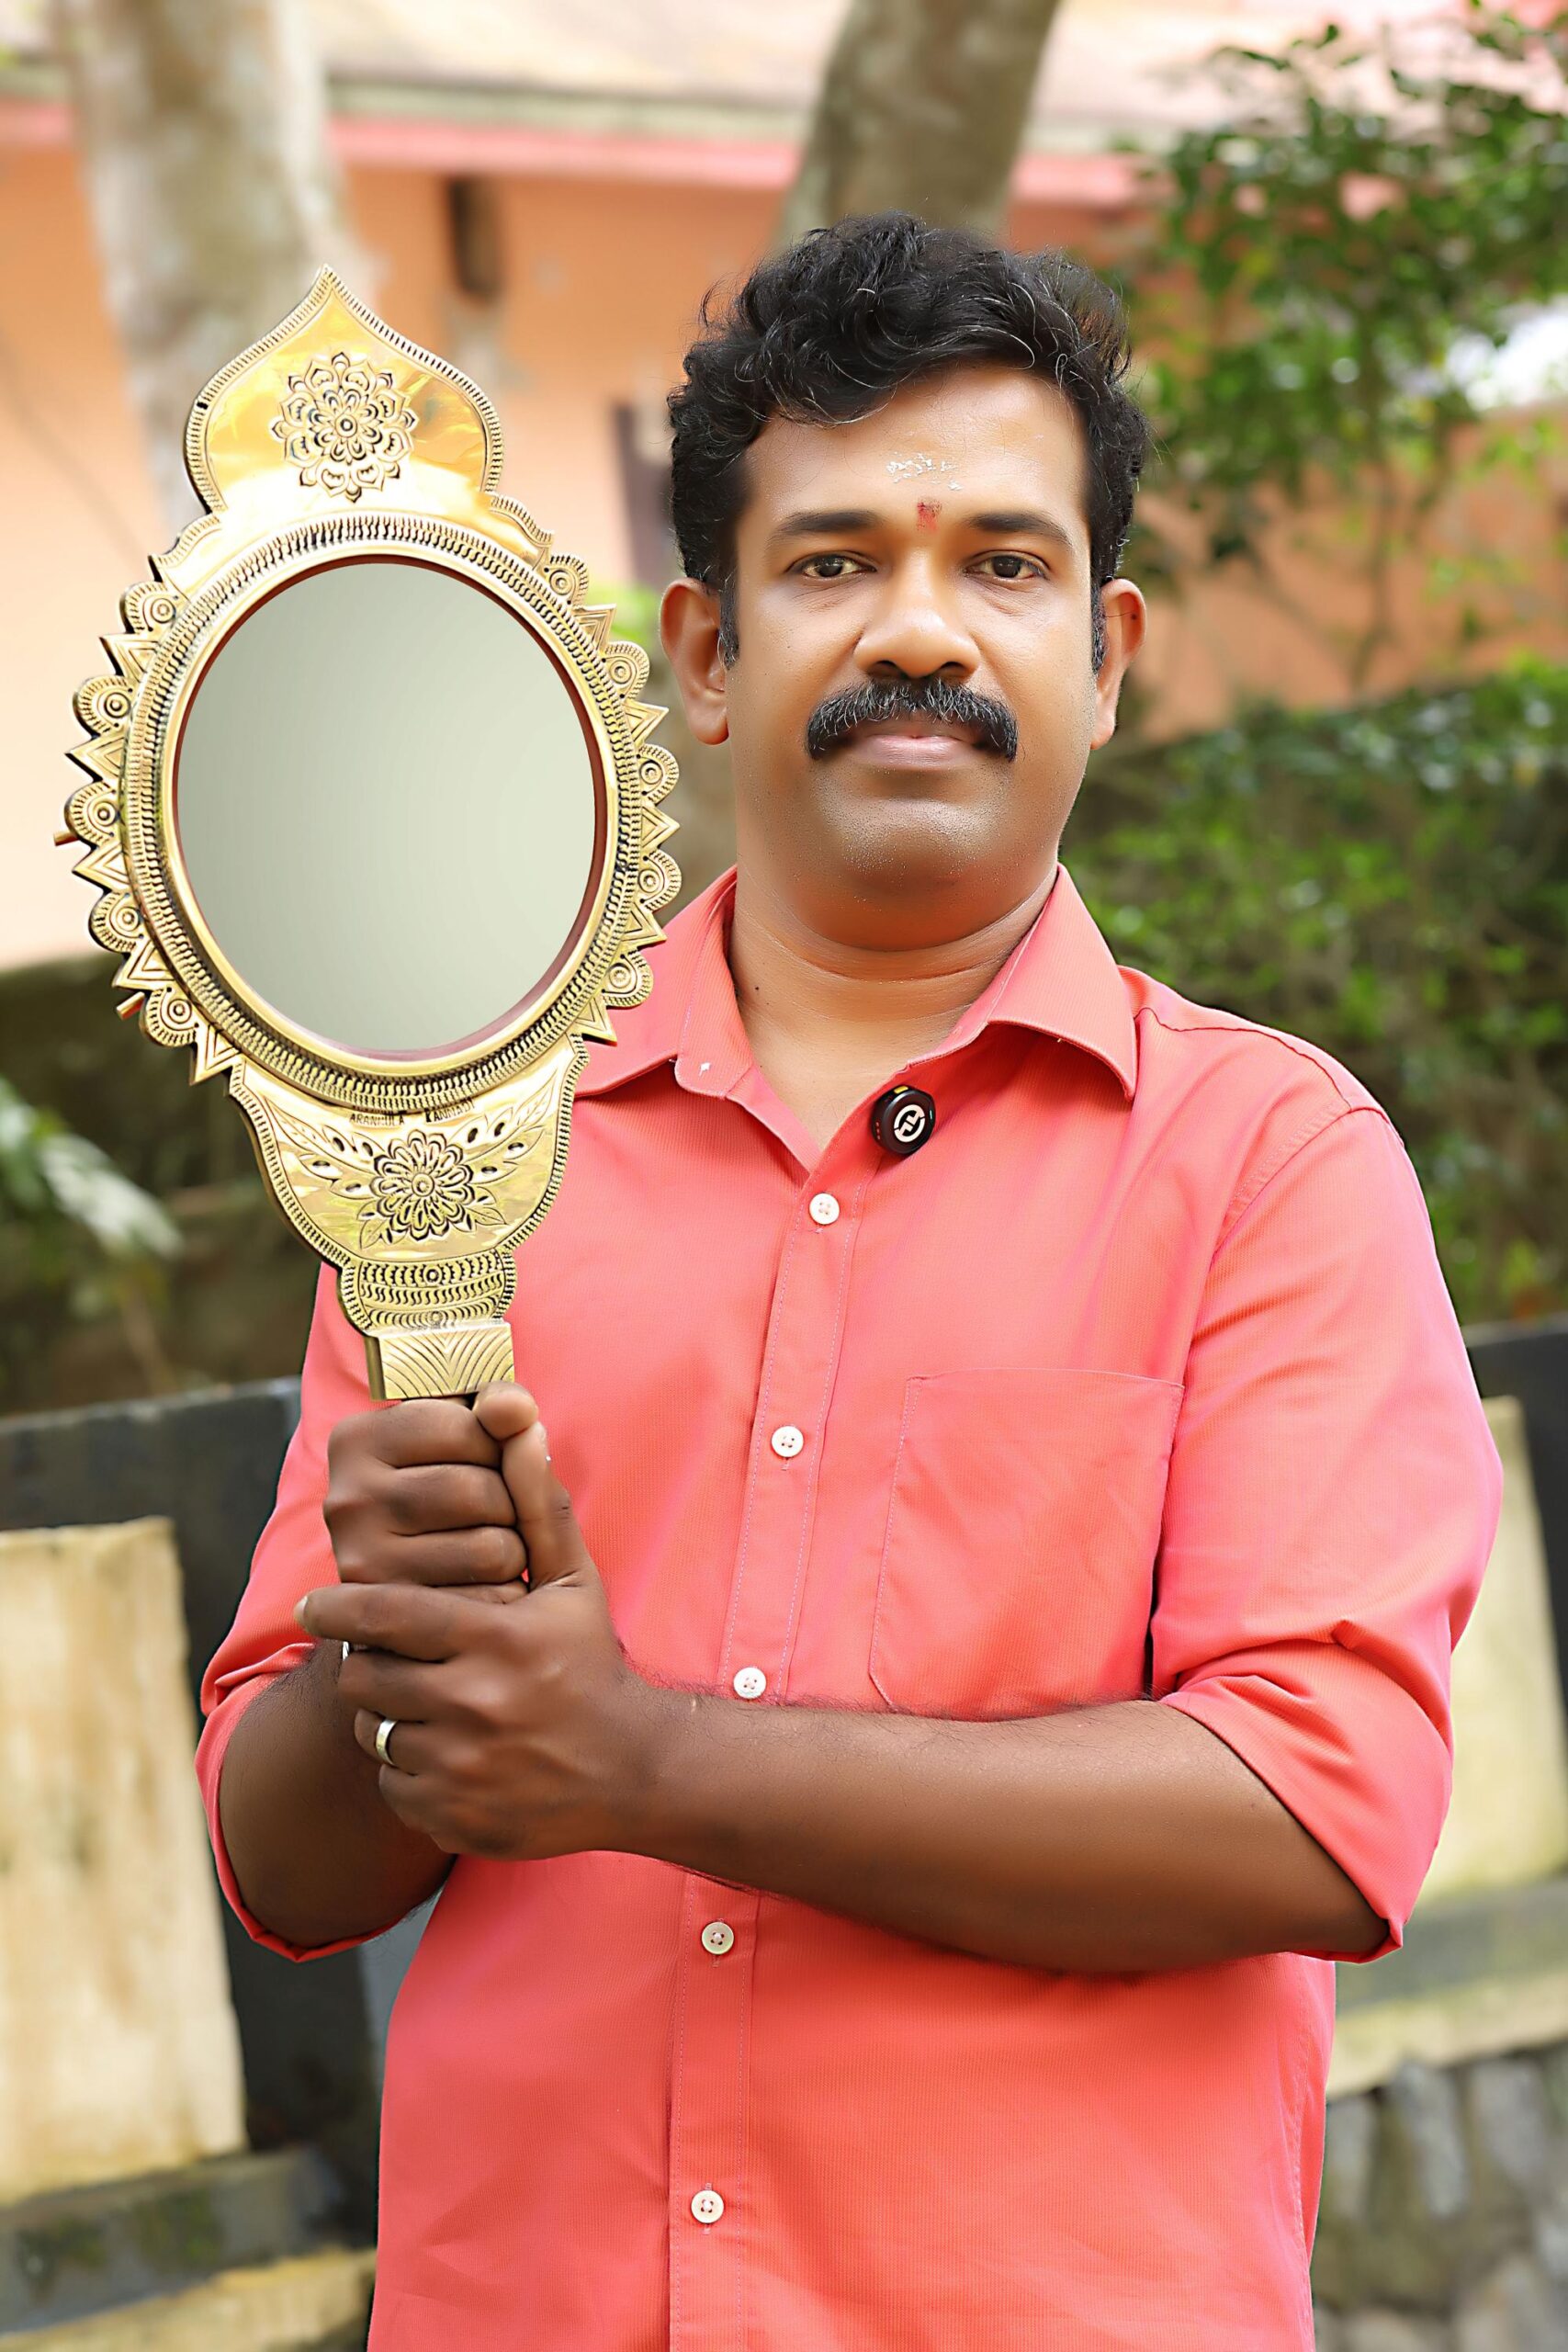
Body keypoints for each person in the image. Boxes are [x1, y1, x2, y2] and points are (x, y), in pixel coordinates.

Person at [199, 214, 1500, 2351]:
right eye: (830, 562)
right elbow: (283, 1865)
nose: (917, 626)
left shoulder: (1266, 1164)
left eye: (1000, 562)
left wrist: (641, 1756)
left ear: (1104, 652)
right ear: (704, 654)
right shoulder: (463, 1153)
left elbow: (1310, 1809)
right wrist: (388, 1660)